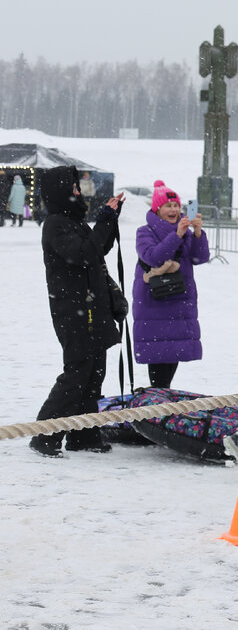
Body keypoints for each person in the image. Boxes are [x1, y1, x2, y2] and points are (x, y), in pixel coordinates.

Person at [30, 166, 125, 457]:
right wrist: (105, 220)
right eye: (72, 188)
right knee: (77, 373)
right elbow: (82, 255)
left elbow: (98, 251)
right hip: (73, 312)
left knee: (94, 374)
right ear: (60, 192)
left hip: (92, 308)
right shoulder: (56, 224)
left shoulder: (75, 221)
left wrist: (111, 219)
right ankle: (44, 435)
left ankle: (83, 435)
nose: (77, 193)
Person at [133, 181, 211, 389]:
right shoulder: (144, 232)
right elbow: (153, 257)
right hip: (155, 302)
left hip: (179, 300)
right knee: (158, 357)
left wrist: (197, 233)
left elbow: (200, 258)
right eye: (168, 206)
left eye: (176, 205)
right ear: (157, 209)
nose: (174, 210)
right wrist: (176, 235)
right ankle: (158, 402)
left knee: (173, 352)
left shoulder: (184, 230)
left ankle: (162, 400)